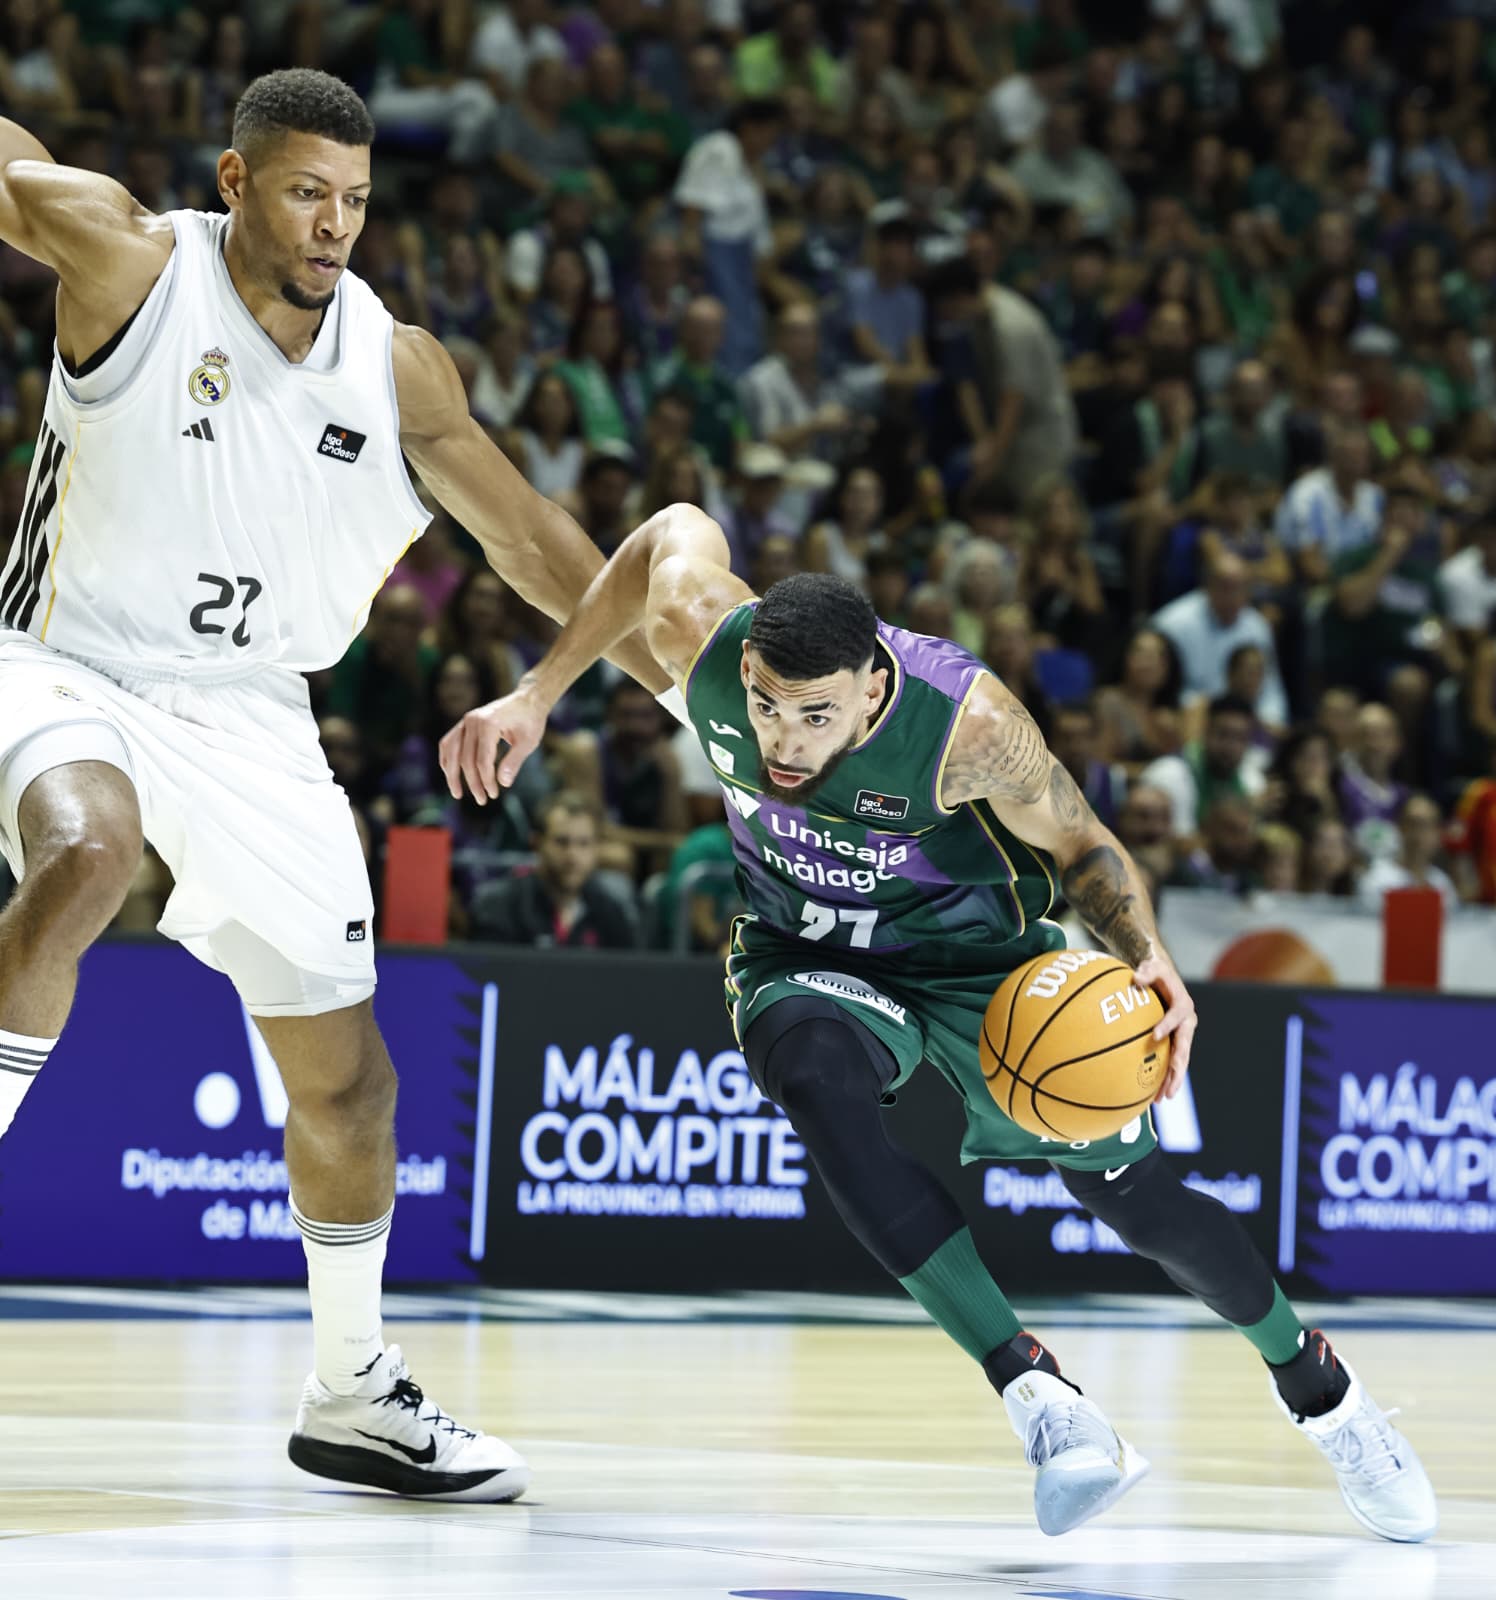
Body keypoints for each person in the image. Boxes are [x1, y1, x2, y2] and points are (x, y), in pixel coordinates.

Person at [441, 505, 1436, 1545]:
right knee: (814, 1079)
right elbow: (663, 534)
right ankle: (1036, 1391)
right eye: (767, 710)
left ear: (873, 685)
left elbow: (1085, 843)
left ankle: (1318, 1386)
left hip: (981, 969)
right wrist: (536, 691)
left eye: (813, 716)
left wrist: (1144, 953)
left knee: (1135, 1202)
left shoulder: (971, 726)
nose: (782, 742)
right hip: (807, 951)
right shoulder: (704, 634)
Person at [0, 68, 672, 1505]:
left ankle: (352, 1390)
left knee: (352, 1086)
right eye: (307, 190)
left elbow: (534, 541)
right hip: (67, 660)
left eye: (356, 199)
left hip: (254, 715)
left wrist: (665, 690)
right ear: (237, 183)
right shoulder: (133, 260)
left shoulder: (397, 364)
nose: (334, 224)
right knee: (86, 851)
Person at [469, 790, 640, 949]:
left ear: (597, 848)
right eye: (561, 842)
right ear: (536, 844)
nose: (572, 855)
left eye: (584, 843)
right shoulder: (500, 906)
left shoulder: (611, 913)